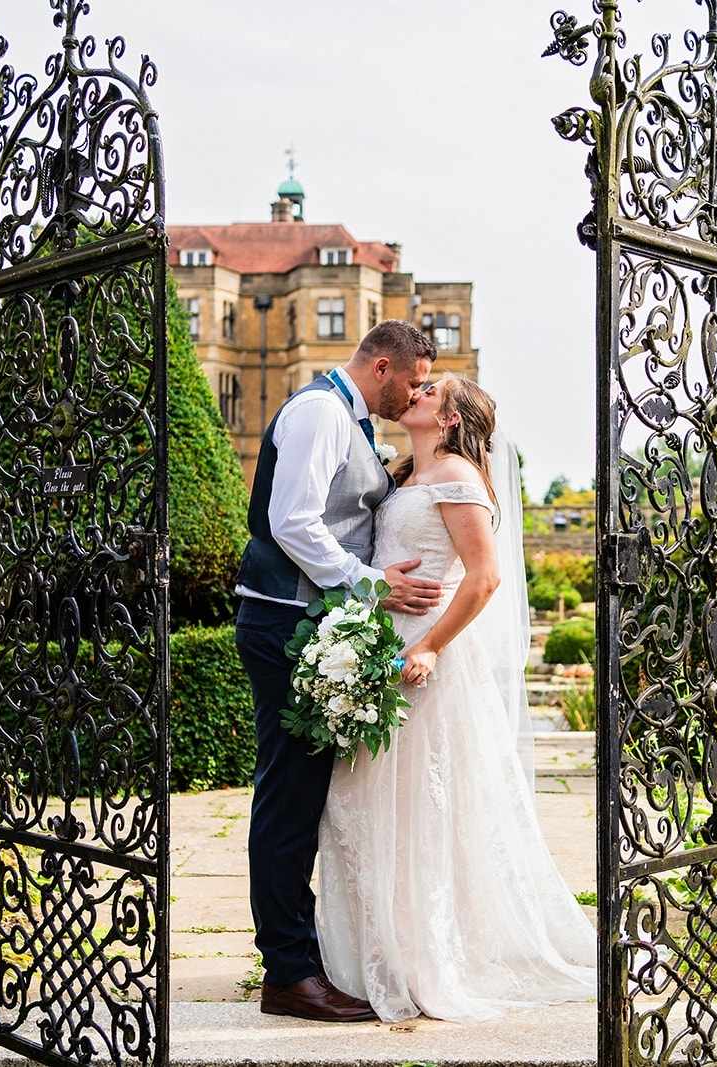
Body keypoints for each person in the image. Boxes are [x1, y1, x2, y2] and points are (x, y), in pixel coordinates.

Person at [315, 375, 598, 1021]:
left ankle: (420, 954)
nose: (414, 391)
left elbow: (485, 575)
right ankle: (365, 953)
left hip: (424, 658)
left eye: (429, 390)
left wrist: (431, 646)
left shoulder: (458, 476)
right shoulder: (403, 472)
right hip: (376, 648)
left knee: (418, 804)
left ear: (448, 418)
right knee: (360, 798)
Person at [232, 320, 442, 1023]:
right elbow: (294, 521)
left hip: (304, 622)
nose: (415, 392)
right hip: (281, 620)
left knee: (303, 792)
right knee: (288, 795)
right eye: (413, 381)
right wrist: (369, 583)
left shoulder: (348, 419)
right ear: (382, 366)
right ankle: (289, 971)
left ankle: (299, 957)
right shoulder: (321, 413)